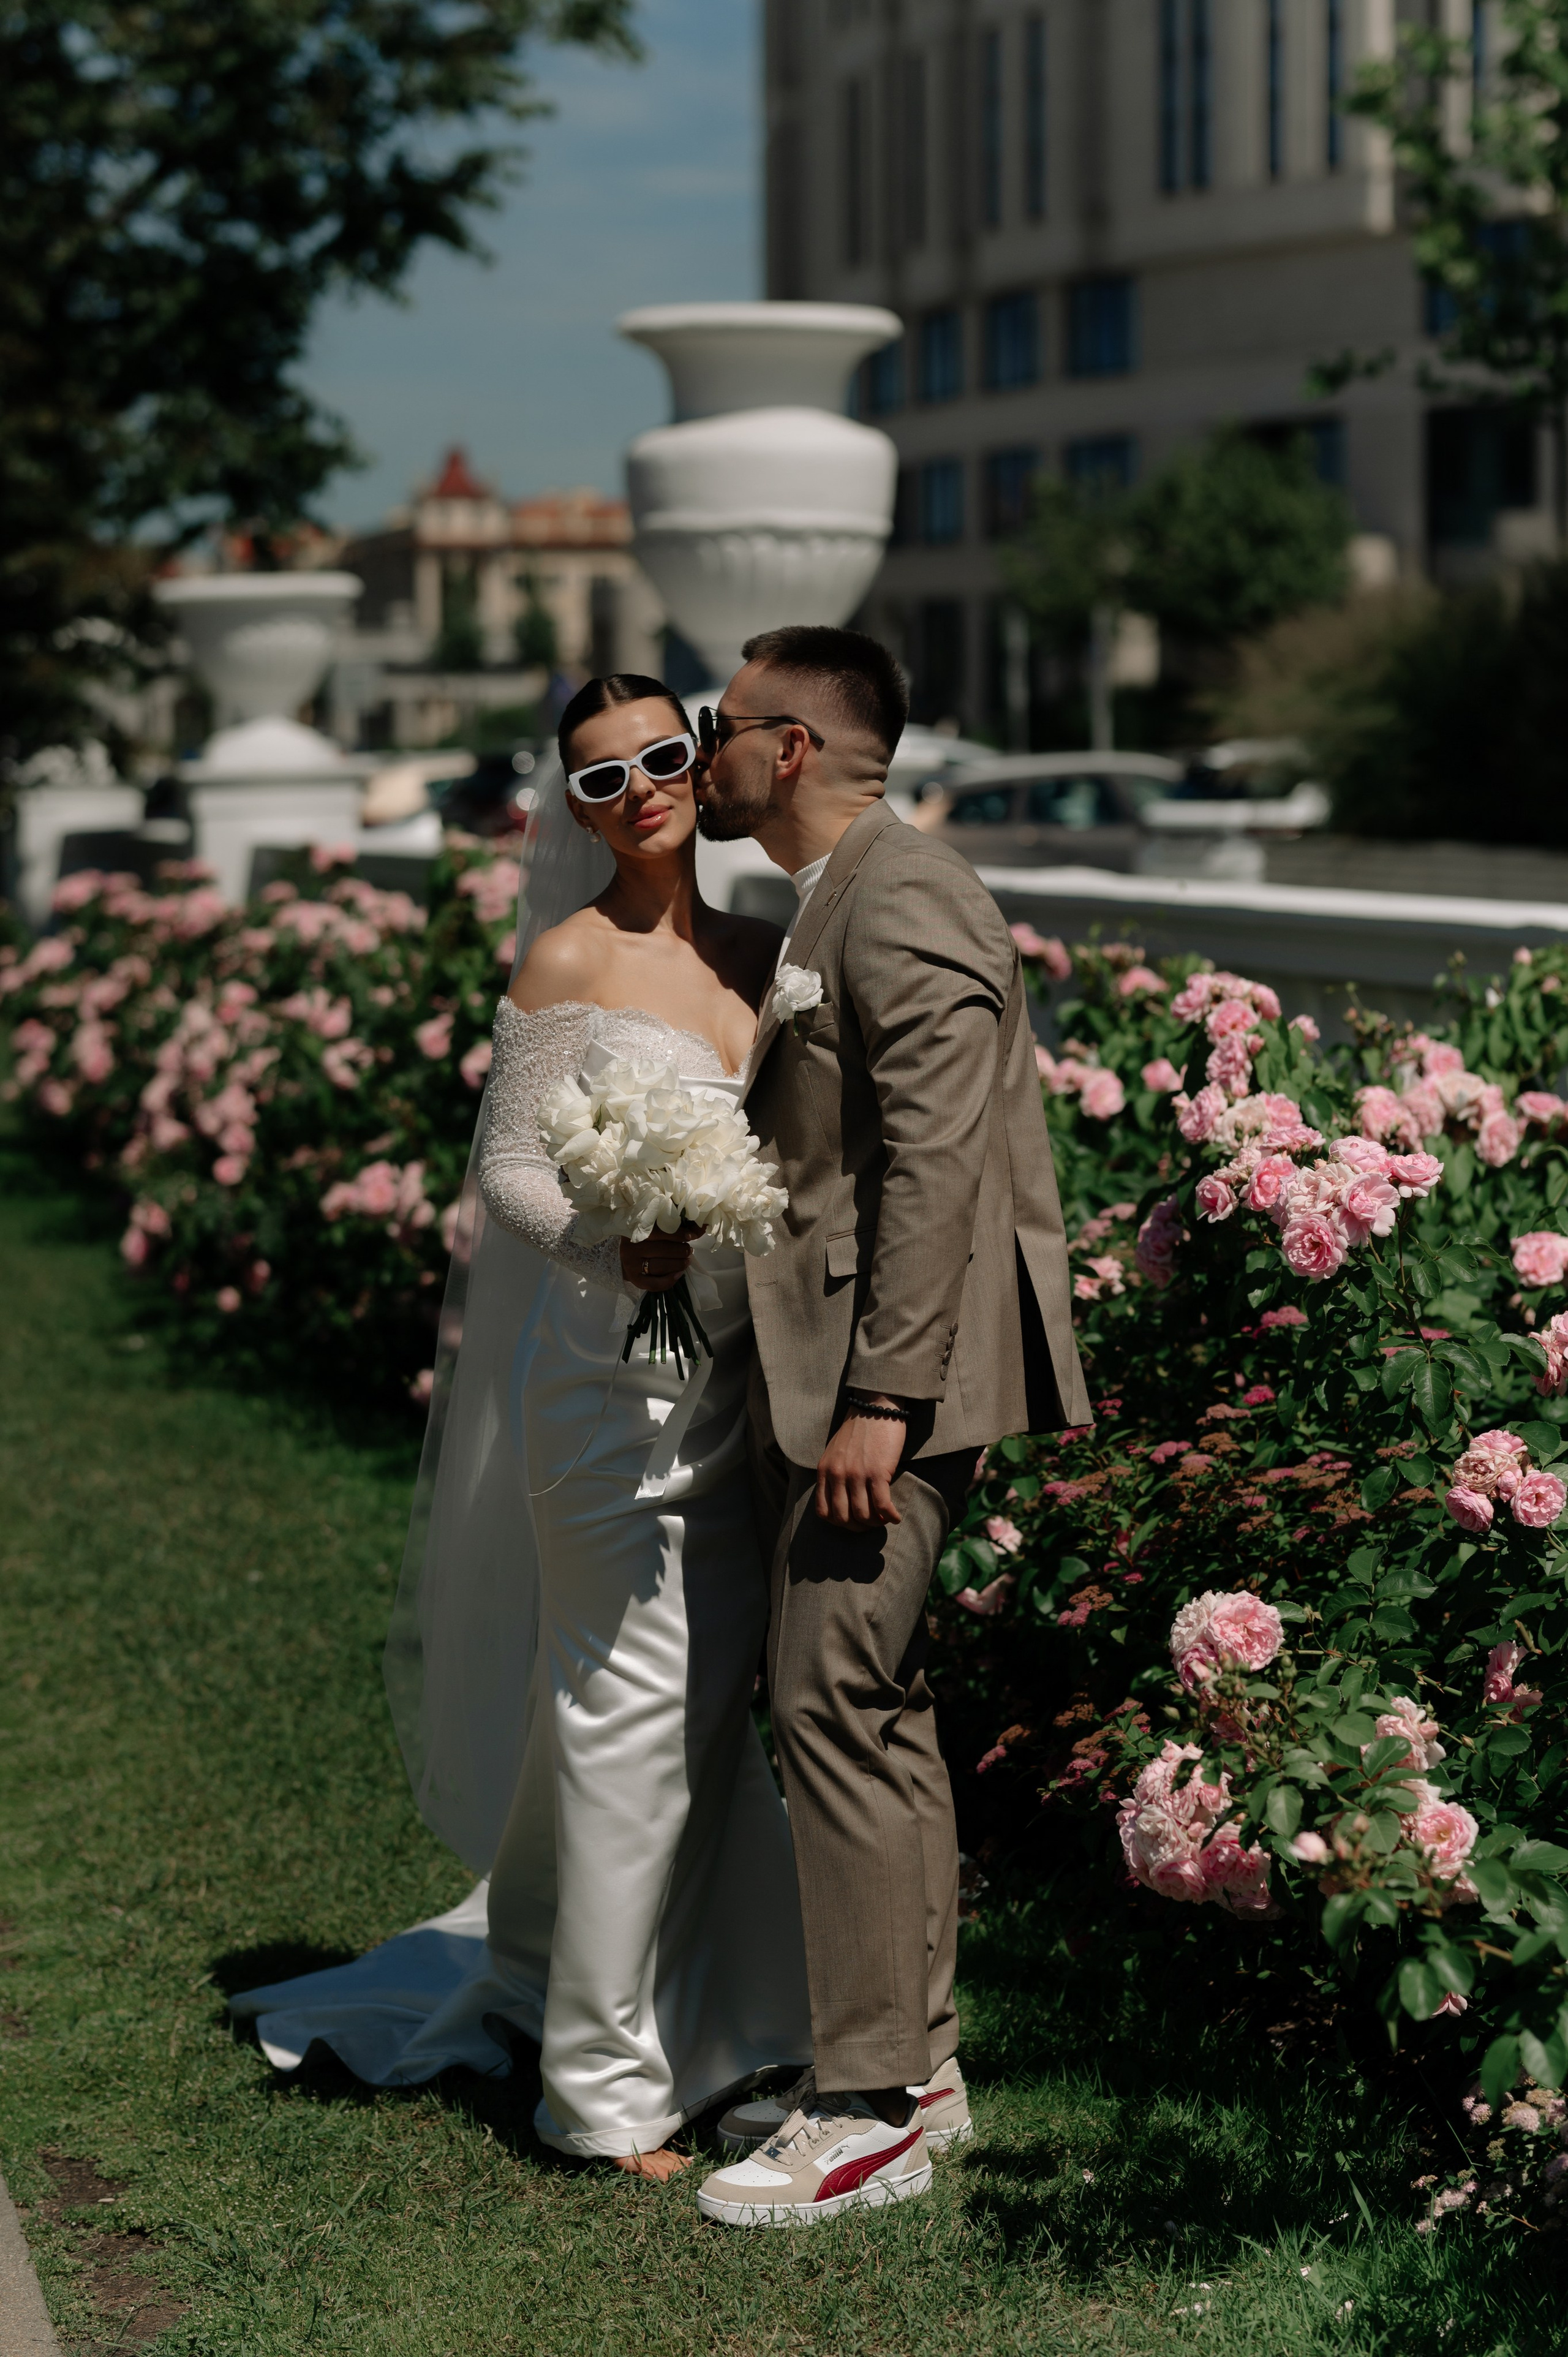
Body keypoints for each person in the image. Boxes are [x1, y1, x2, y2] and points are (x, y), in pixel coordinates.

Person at [230, 676, 811, 2181]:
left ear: (702, 761)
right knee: (627, 1695)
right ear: (572, 807)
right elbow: (510, 1174)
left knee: (700, 1705)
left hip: (739, 1381)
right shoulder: (566, 955)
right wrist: (615, 1246)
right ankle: (601, 2090)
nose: (638, 794)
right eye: (599, 779)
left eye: (661, 760)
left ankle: (725, 2010)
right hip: (604, 1389)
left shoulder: (766, 953)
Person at [690, 627, 1090, 2227]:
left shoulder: (904, 893)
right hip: (843, 1373)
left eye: (718, 728)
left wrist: (884, 1400)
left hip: (886, 1390)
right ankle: (913, 2072)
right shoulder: (838, 897)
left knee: (833, 1700)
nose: (704, 757)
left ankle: (859, 2107)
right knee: (871, 1705)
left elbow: (939, 1167)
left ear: (789, 745)